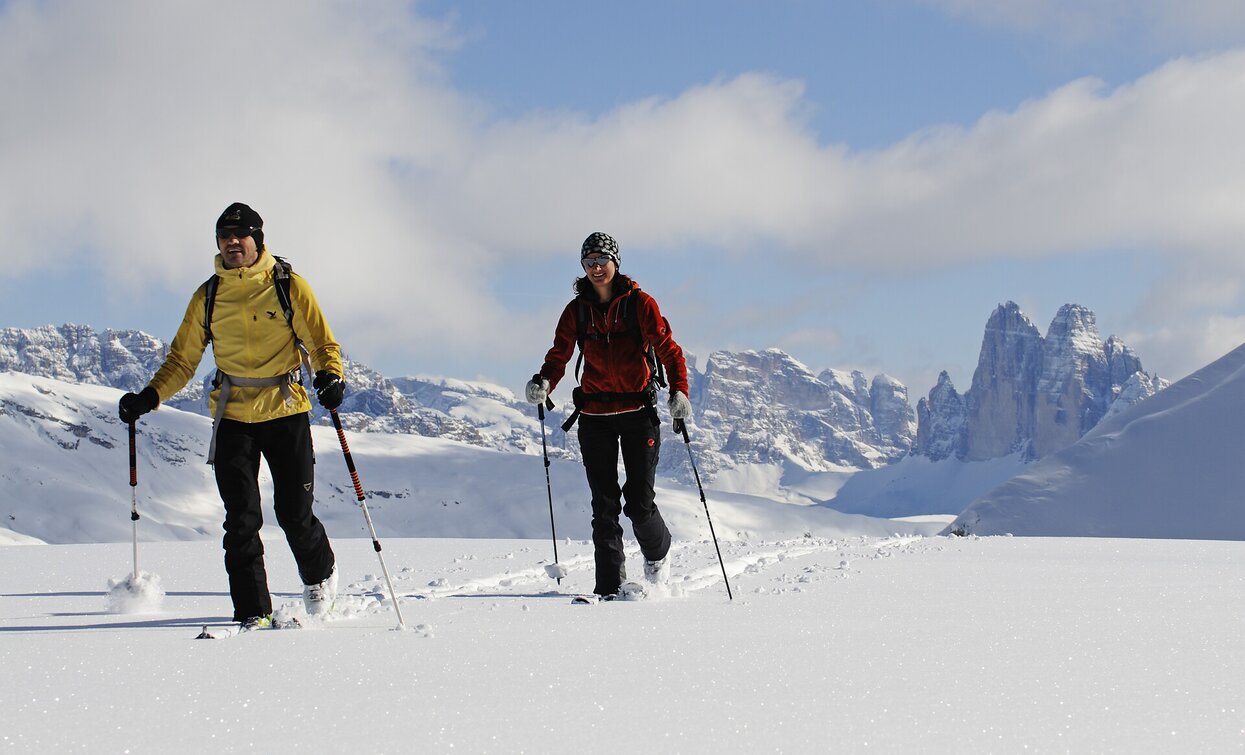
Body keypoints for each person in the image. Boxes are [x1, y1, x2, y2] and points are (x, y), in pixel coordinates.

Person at [118, 202, 345, 629]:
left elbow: (321, 343)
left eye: (241, 235)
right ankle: (253, 612)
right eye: (225, 236)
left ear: (258, 239)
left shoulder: (288, 285)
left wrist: (331, 376)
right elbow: (182, 360)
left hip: (285, 410)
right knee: (240, 518)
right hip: (233, 416)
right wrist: (150, 396)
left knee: (294, 512)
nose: (232, 242)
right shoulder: (208, 295)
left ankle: (320, 576)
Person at [526, 231, 693, 598]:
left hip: (638, 413)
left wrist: (680, 392)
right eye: (589, 263)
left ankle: (658, 553)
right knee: (603, 504)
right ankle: (608, 589)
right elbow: (559, 355)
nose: (596, 268)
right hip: (595, 415)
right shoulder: (576, 312)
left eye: (601, 260)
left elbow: (669, 350)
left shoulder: (640, 305)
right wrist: (544, 382)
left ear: (615, 262)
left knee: (638, 501)